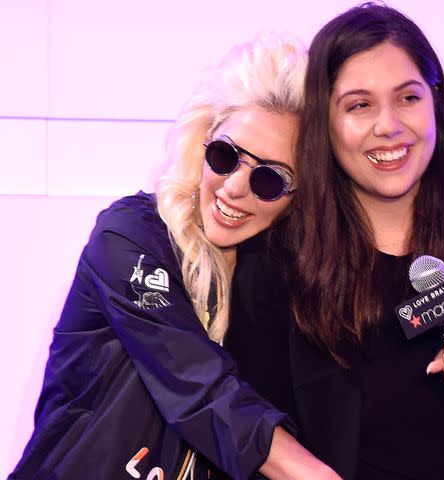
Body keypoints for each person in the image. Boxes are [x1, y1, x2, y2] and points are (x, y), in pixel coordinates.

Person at [225, 4, 444, 479]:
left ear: (436, 100)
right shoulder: (279, 254)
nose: (388, 125)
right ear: (324, 123)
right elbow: (261, 434)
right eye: (359, 105)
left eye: (408, 98)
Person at [10, 35, 339, 480]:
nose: (234, 188)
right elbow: (198, 385)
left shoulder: (275, 276)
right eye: (225, 156)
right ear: (203, 142)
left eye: (269, 180)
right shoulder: (129, 236)